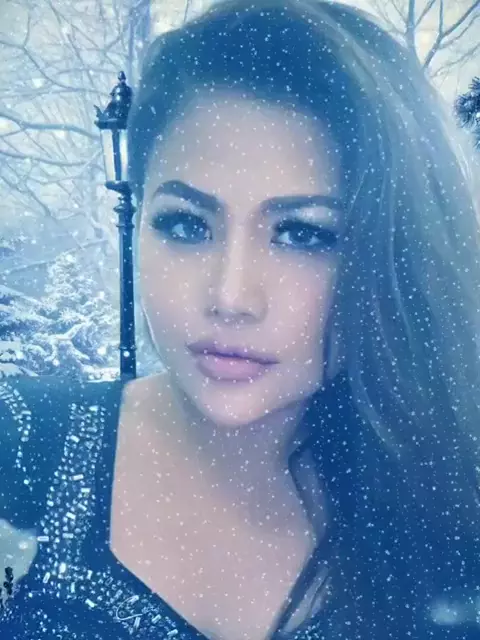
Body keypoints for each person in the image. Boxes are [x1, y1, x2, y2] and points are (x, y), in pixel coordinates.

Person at [1, 0, 480, 638]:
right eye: (186, 224)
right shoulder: (18, 447)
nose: (230, 297)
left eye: (304, 234)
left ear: (400, 257)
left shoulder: (452, 509)